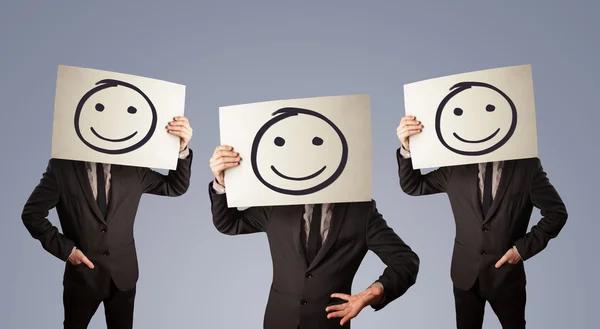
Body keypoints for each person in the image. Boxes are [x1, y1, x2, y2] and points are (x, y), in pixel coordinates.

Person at [208, 145, 420, 329]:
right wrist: (221, 182)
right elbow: (229, 223)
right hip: (278, 321)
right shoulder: (277, 202)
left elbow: (406, 262)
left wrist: (372, 293)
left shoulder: (361, 212)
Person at [21, 116, 194, 329]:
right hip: (83, 278)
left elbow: (175, 186)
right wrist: (68, 250)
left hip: (124, 275)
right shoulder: (61, 168)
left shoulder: (133, 166)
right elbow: (32, 214)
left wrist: (181, 150)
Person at [395, 115, 567, 329]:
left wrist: (521, 250)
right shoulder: (455, 166)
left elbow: (556, 213)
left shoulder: (527, 167)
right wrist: (407, 149)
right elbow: (413, 186)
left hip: (506, 277)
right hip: (464, 274)